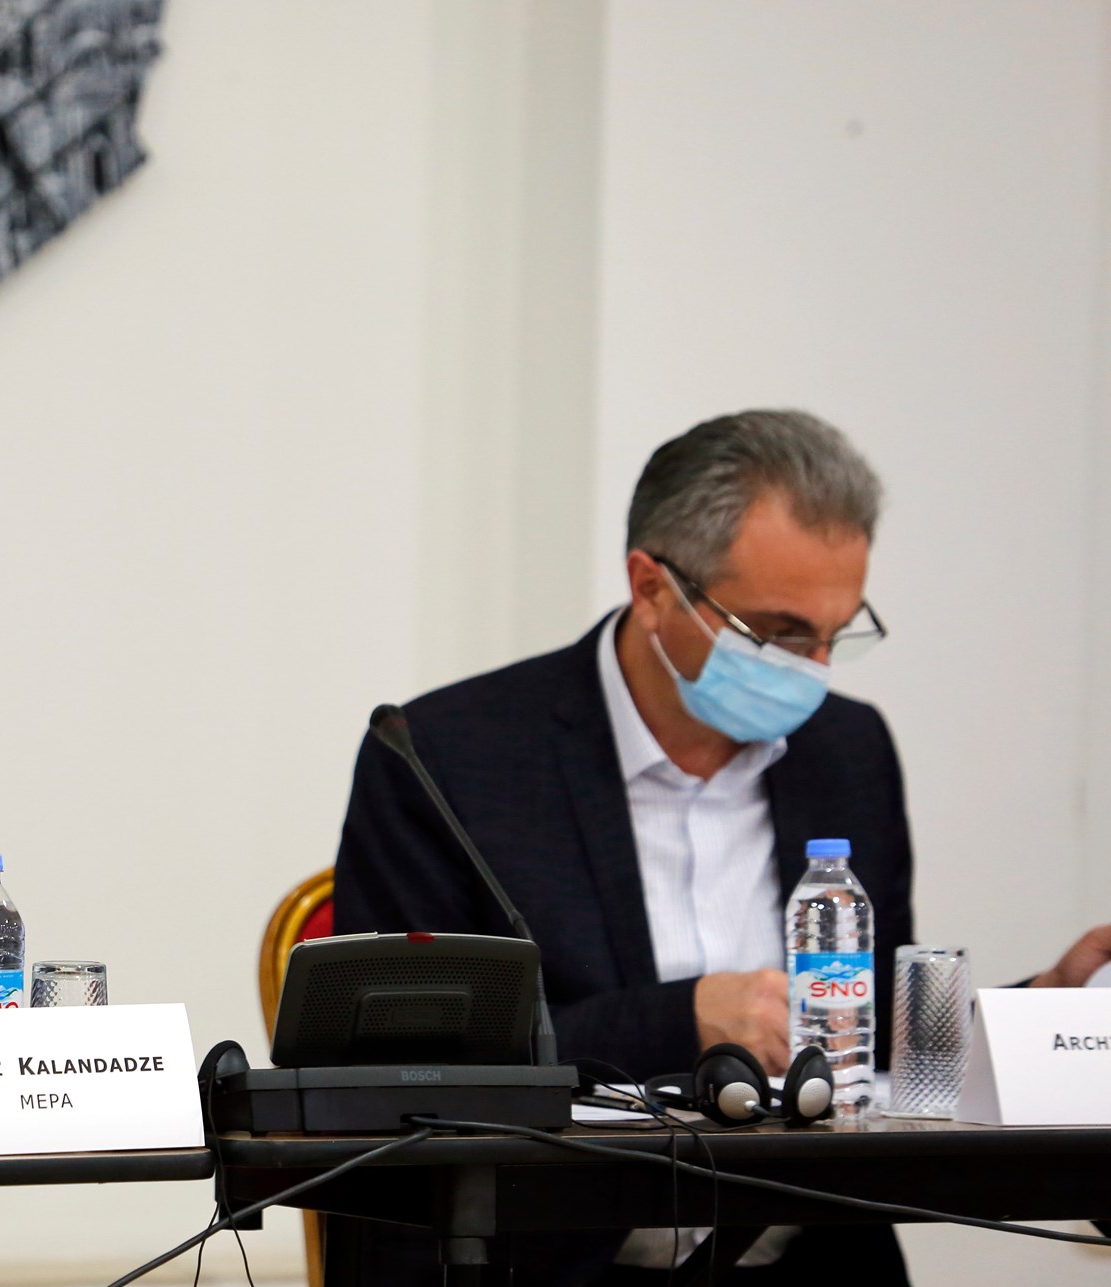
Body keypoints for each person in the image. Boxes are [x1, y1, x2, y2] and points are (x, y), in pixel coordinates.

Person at [328, 410, 1111, 1285]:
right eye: (779, 632)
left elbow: (867, 1040)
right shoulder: (446, 755)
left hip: (810, 1260)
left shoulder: (848, 750)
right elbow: (406, 1064)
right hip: (547, 1261)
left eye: (837, 632)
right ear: (652, 587)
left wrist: (1042, 1014)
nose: (813, 666)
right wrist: (684, 1019)